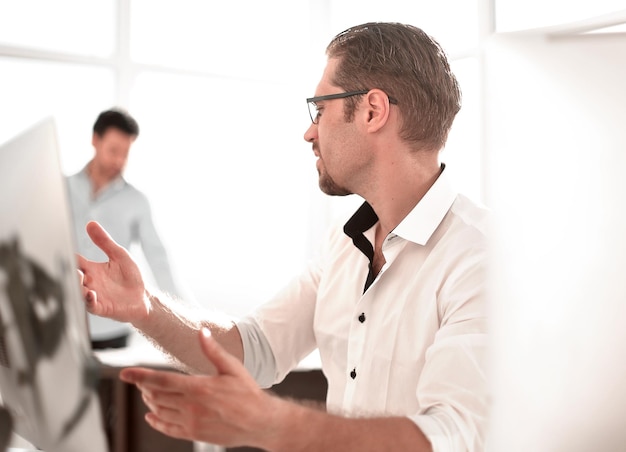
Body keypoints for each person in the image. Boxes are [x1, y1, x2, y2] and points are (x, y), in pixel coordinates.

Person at [77, 22, 489, 451]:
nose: (310, 132)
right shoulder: (345, 245)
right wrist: (145, 307)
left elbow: (451, 438)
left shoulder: (480, 257)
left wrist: (272, 424)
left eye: (320, 108)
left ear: (372, 111)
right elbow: (253, 349)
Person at [67, 108, 186, 349]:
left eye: (125, 153)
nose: (119, 161)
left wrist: (186, 317)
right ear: (95, 140)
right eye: (113, 151)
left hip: (112, 327)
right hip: (64, 321)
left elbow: (157, 258)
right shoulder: (60, 187)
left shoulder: (137, 201)